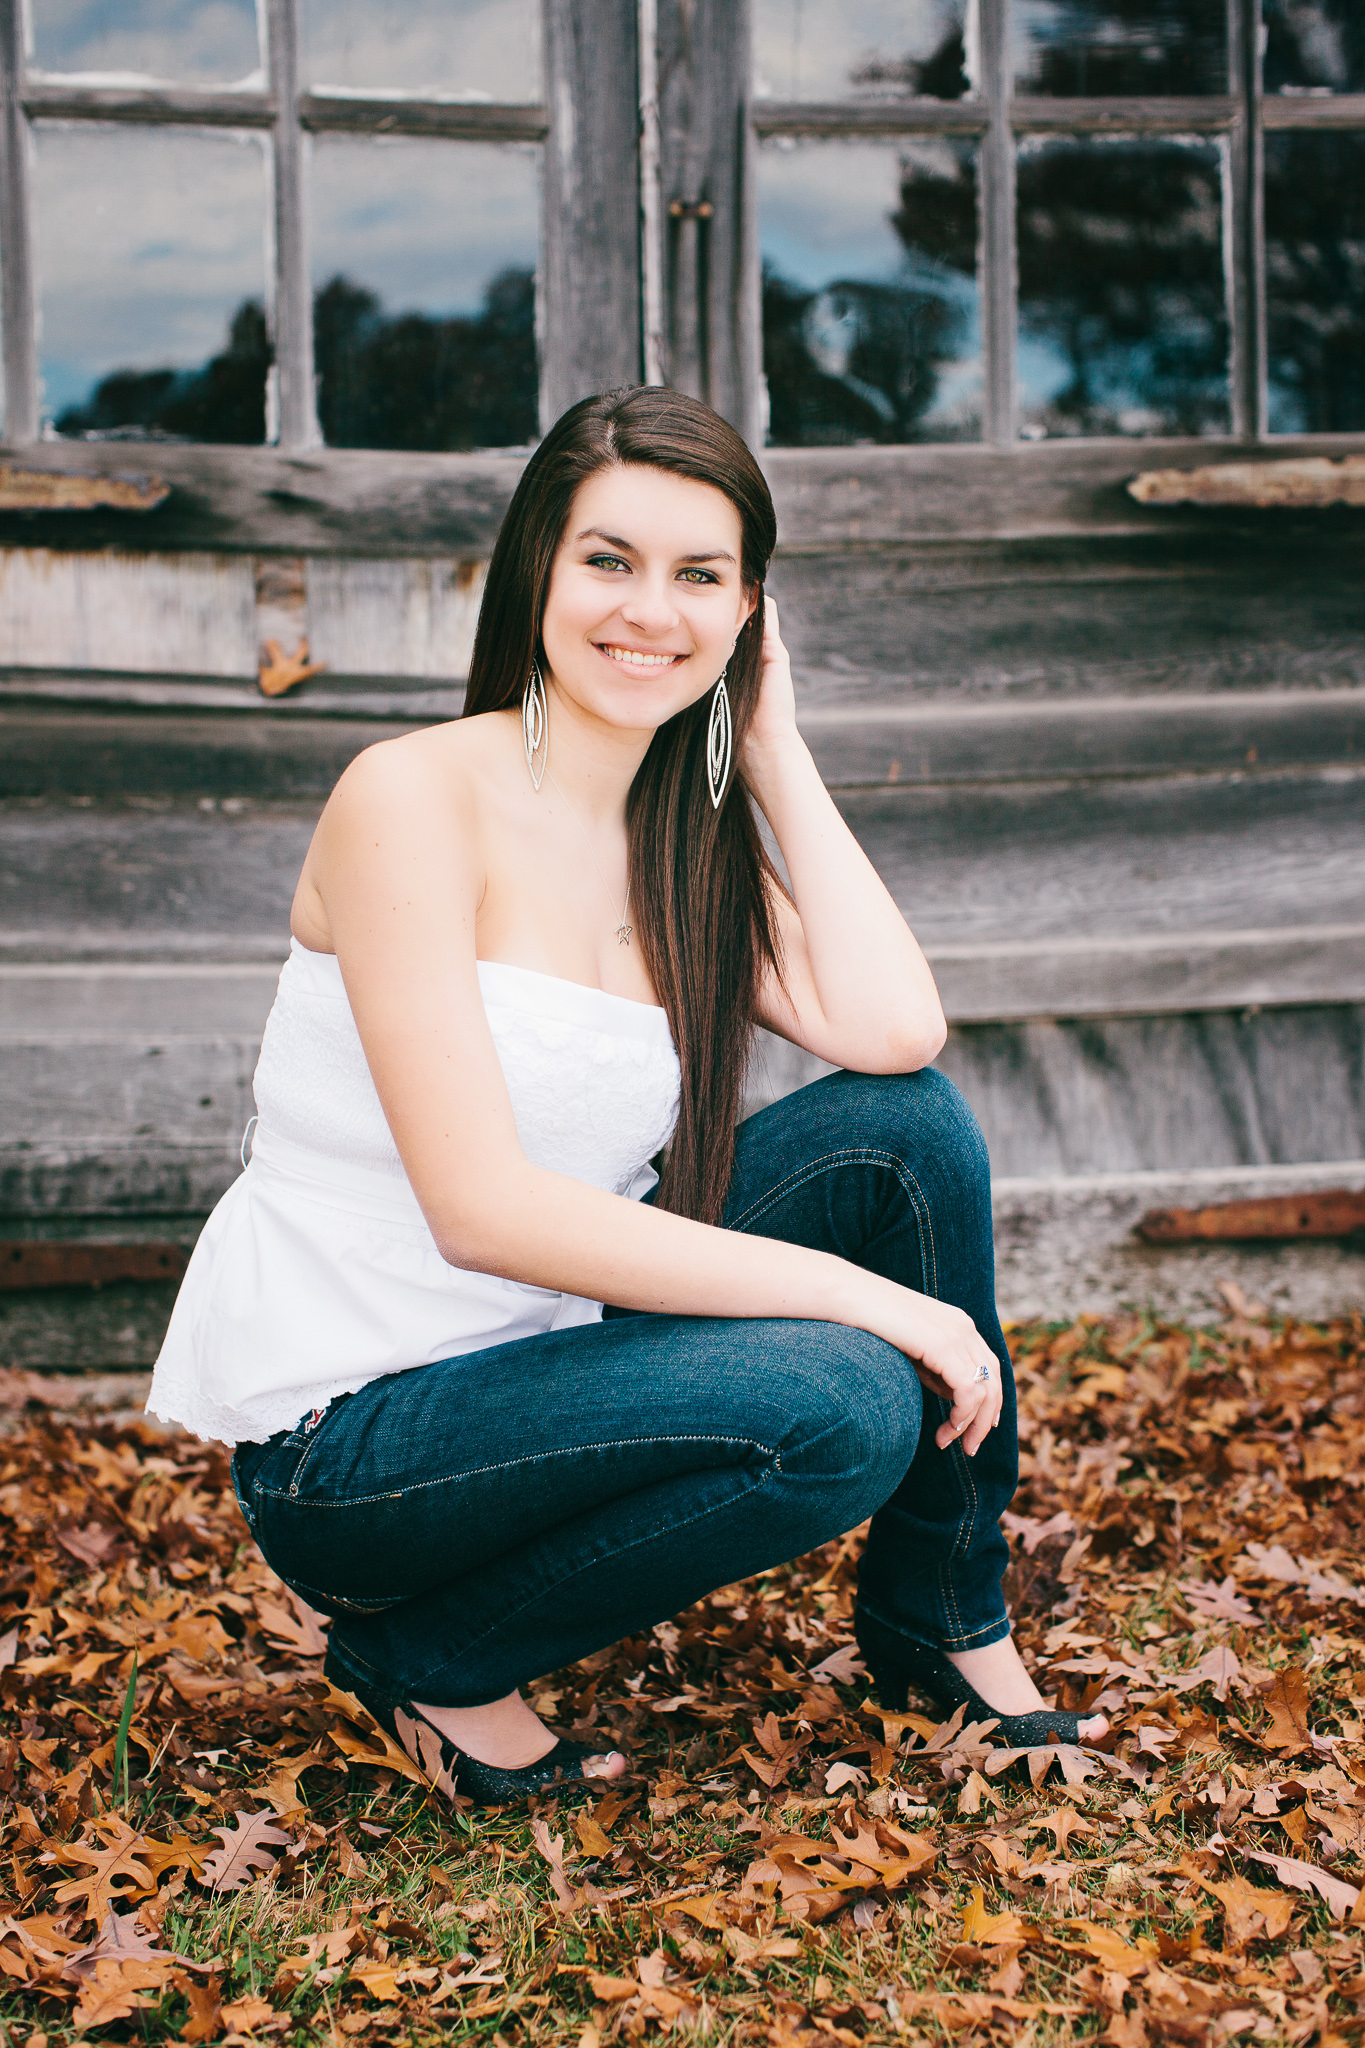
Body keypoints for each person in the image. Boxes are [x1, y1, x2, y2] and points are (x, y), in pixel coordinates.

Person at [148, 386, 1106, 1805]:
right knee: (840, 1400)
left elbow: (894, 1030)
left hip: (559, 1355)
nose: (645, 610)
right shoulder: (409, 800)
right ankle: (433, 1650)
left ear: (745, 614)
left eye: (696, 577)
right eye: (607, 559)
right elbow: (481, 1211)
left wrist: (770, 750)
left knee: (906, 1138)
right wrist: (877, 1304)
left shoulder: (681, 832)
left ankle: (939, 1609)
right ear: (536, 563)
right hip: (362, 1438)